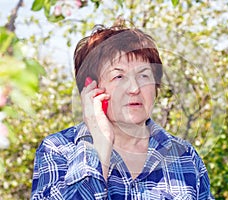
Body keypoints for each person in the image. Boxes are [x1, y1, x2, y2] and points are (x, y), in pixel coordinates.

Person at [31, 22, 214, 199]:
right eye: (119, 76)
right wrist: (99, 145)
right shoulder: (58, 150)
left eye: (144, 75)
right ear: (90, 88)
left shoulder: (185, 155)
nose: (134, 88)